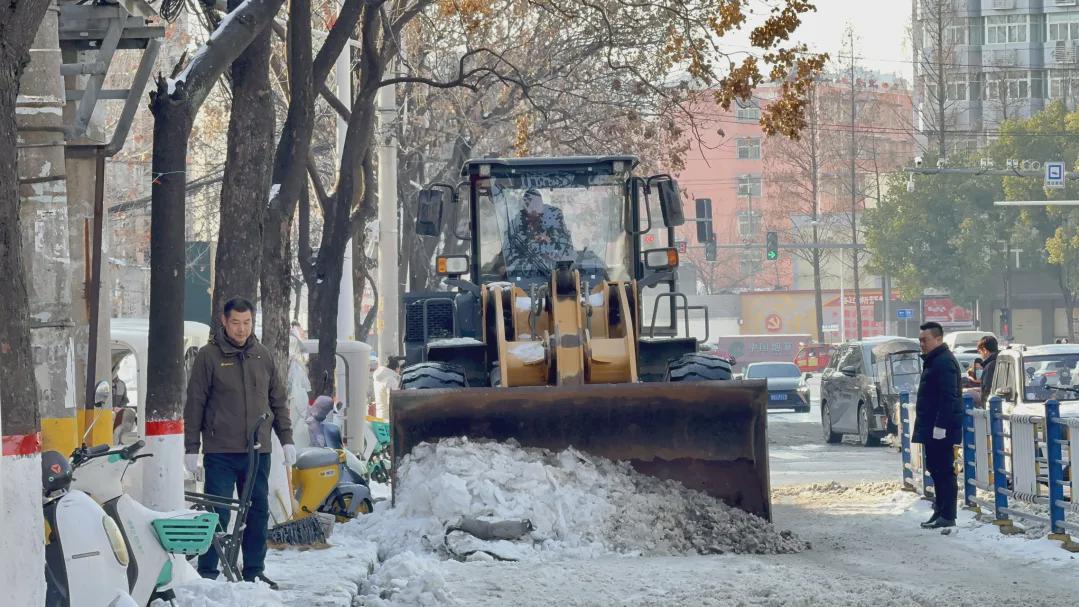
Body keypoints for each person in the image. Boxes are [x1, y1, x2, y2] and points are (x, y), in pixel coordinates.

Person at [183, 297, 295, 589]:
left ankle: (254, 570)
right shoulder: (208, 357)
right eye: (235, 323)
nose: (241, 329)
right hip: (220, 452)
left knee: (257, 510)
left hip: (258, 453)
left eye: (247, 323)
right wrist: (191, 447)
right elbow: (195, 404)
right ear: (224, 321)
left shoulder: (263, 356)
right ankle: (208, 571)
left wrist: (287, 440)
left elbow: (278, 401)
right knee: (217, 512)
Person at [914, 321, 964, 529]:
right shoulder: (935, 360)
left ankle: (948, 515)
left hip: (941, 428)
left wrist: (941, 426)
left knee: (944, 471)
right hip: (932, 426)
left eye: (925, 340)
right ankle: (940, 510)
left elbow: (948, 397)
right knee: (935, 468)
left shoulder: (943, 362)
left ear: (938, 339)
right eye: (920, 340)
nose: (922, 344)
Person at [504, 188, 575, 275]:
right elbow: (507, 260)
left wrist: (552, 251)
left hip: (560, 280)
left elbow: (570, 257)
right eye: (529, 204)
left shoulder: (555, 220)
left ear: (541, 204)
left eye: (537, 204)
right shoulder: (515, 226)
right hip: (526, 280)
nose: (533, 208)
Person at [968, 335, 999, 406]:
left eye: (980, 352)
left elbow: (986, 391)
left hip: (992, 405)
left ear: (984, 350)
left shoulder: (989, 366)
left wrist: (984, 406)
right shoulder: (1003, 361)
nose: (981, 355)